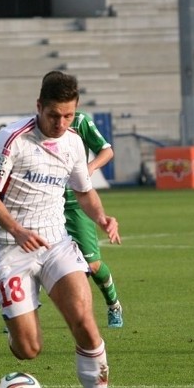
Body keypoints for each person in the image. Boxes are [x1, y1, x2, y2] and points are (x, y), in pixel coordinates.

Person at [0, 71, 132, 388]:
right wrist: (16, 230)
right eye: (53, 115)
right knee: (28, 350)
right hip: (10, 248)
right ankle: (14, 317)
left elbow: (83, 190)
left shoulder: (74, 143)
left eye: (68, 115)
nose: (61, 123)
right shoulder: (11, 139)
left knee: (86, 324)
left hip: (57, 243)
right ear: (39, 107)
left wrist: (101, 217)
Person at [65, 111, 124, 328]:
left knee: (93, 264)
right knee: (33, 260)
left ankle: (114, 305)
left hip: (76, 204)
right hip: (46, 203)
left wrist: (88, 168)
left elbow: (106, 151)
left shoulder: (80, 121)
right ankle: (20, 316)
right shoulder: (38, 126)